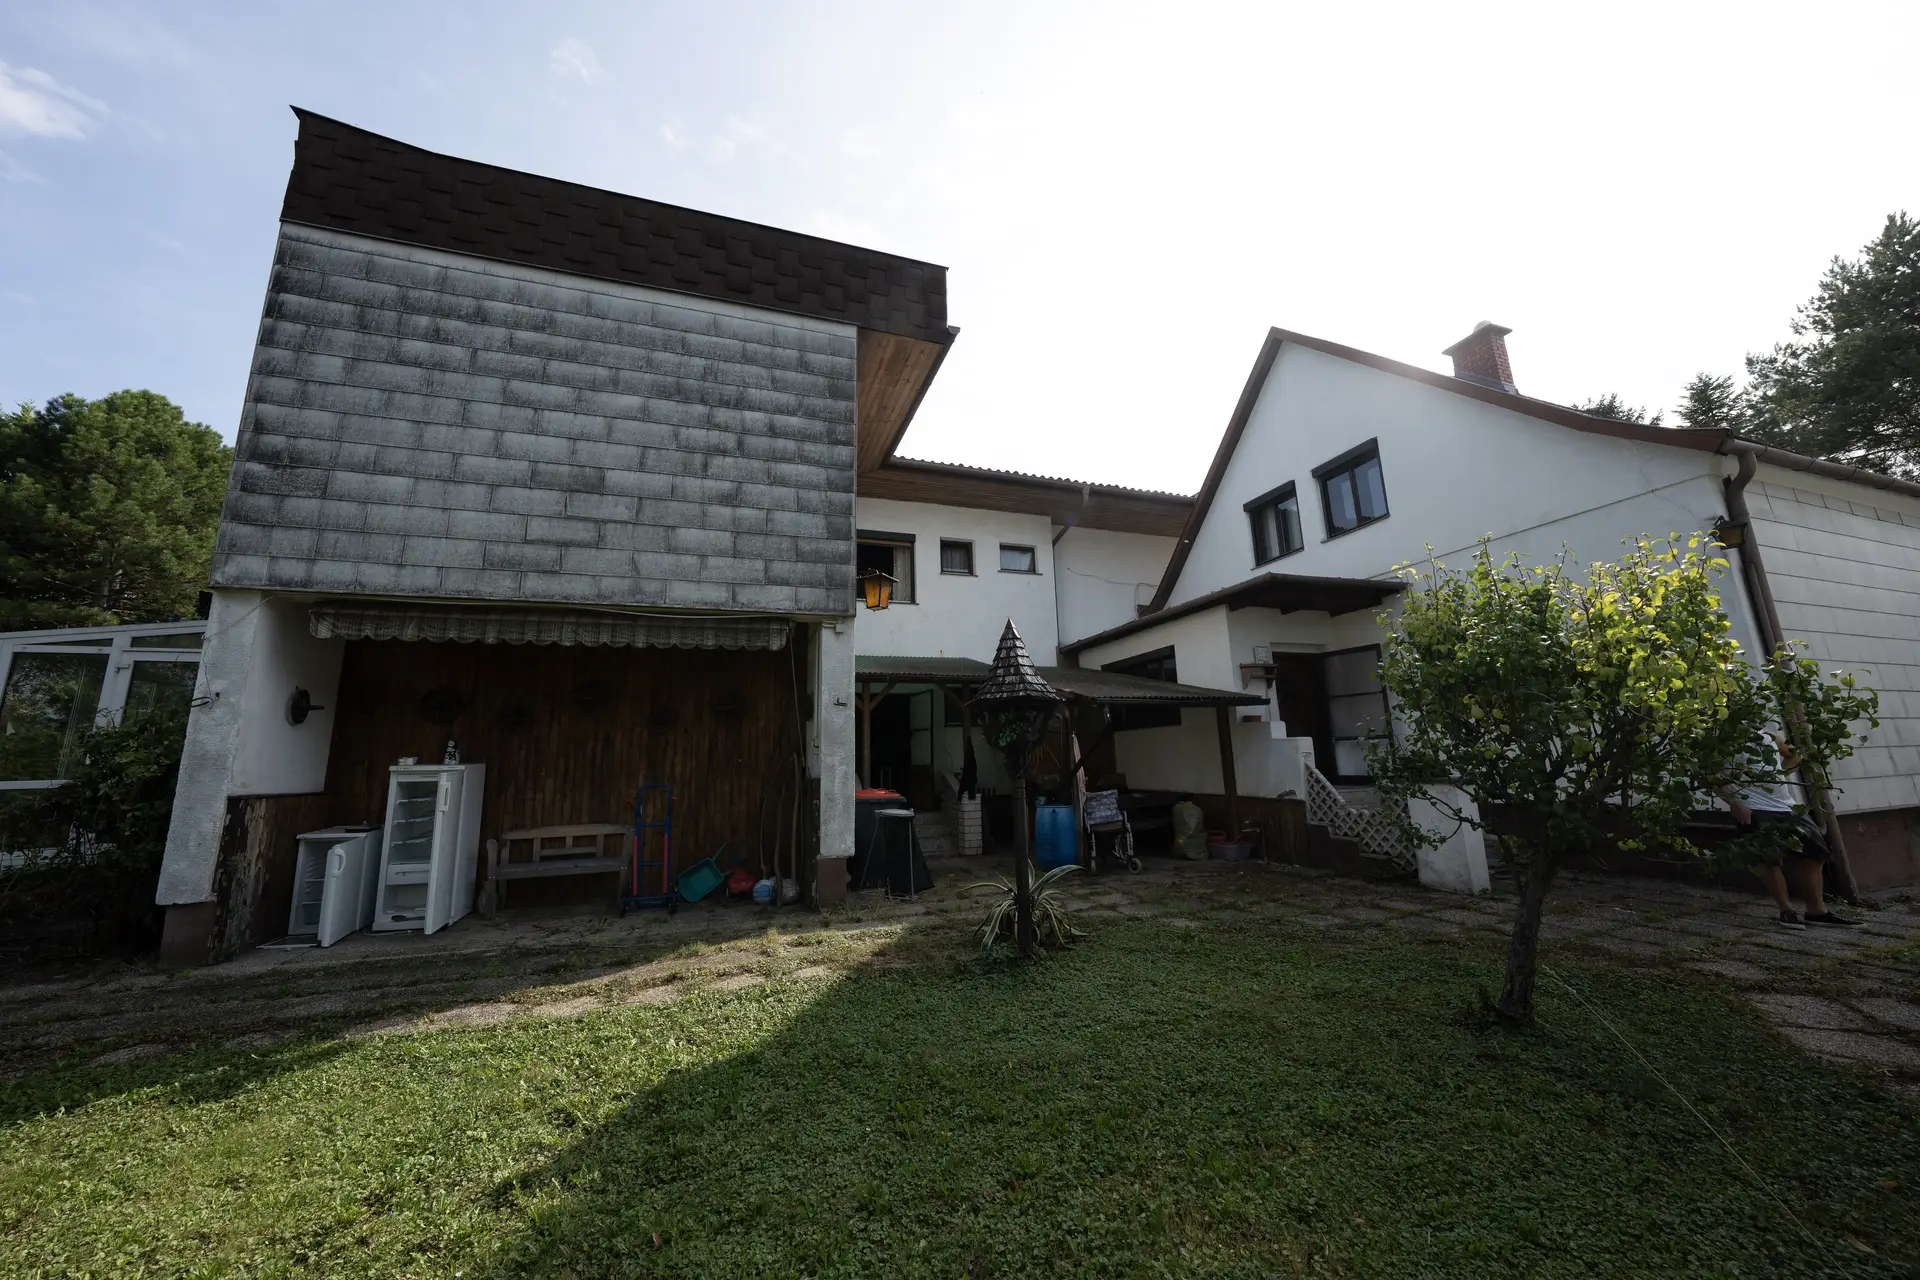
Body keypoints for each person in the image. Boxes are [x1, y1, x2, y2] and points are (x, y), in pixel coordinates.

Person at [1716, 728, 1857, 930]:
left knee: (1815, 852)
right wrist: (1734, 803)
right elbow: (1708, 775)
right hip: (1753, 807)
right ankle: (1786, 910)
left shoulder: (1767, 733)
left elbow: (1794, 754)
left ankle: (1816, 911)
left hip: (1787, 805)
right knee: (1768, 860)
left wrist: (1780, 774)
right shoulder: (1720, 736)